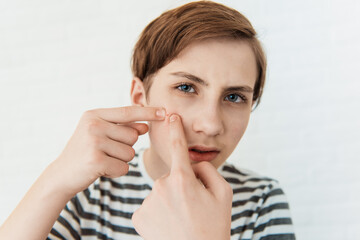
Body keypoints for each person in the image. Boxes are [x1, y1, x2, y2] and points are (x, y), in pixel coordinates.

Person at [0, 1, 296, 239]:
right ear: (140, 97)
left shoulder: (261, 200)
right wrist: (56, 179)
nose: (210, 125)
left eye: (234, 97)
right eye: (186, 88)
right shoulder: (91, 193)